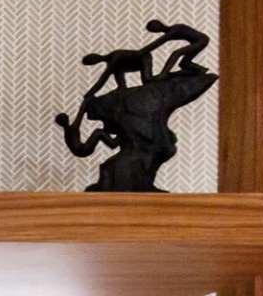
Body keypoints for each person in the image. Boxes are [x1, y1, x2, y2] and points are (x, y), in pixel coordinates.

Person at [55, 19, 215, 190]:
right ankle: (177, 72)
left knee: (162, 68)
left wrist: (89, 97)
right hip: (138, 140)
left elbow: (106, 77)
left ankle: (167, 75)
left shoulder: (124, 64)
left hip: (144, 62)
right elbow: (86, 149)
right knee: (120, 166)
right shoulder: (117, 65)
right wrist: (70, 128)